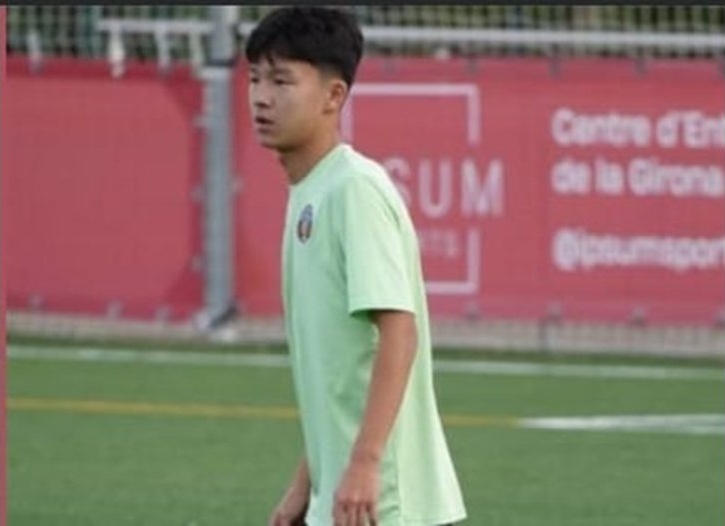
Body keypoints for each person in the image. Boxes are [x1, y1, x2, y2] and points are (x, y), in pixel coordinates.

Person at [245, 6, 467, 526]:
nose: (261, 96)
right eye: (254, 78)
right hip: (344, 492)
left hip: (381, 499)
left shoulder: (354, 190)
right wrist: (307, 483)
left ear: (333, 96)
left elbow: (399, 332)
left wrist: (365, 465)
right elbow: (339, 379)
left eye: (281, 80)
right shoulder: (311, 191)